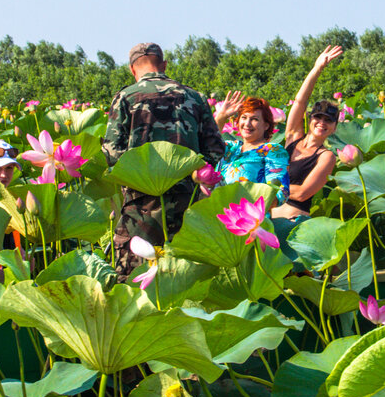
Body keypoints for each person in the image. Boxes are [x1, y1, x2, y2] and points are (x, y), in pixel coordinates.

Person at [103, 42, 226, 277]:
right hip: (188, 203)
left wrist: (142, 173)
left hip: (141, 204)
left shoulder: (126, 98)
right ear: (164, 65)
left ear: (132, 69)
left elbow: (111, 153)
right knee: (187, 280)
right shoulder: (195, 97)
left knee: (135, 280)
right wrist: (186, 171)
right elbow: (216, 149)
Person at [272, 45, 343, 219]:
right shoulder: (293, 138)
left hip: (294, 223)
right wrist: (317, 69)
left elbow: (303, 193)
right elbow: (299, 102)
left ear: (334, 128)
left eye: (328, 120)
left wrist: (268, 187)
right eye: (318, 118)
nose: (322, 123)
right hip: (268, 219)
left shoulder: (327, 157)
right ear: (310, 119)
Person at [214, 95, 290, 204]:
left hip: (248, 216)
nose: (247, 124)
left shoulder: (272, 150)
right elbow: (206, 145)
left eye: (254, 119)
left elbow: (280, 194)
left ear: (266, 126)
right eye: (244, 117)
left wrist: (248, 206)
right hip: (215, 212)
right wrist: (221, 116)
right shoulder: (231, 148)